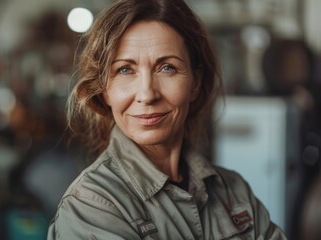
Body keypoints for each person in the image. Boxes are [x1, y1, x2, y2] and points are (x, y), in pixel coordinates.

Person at [47, 0, 287, 239]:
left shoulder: (233, 192)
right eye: (124, 70)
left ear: (194, 82)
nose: (147, 94)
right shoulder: (90, 207)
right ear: (104, 90)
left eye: (167, 68)